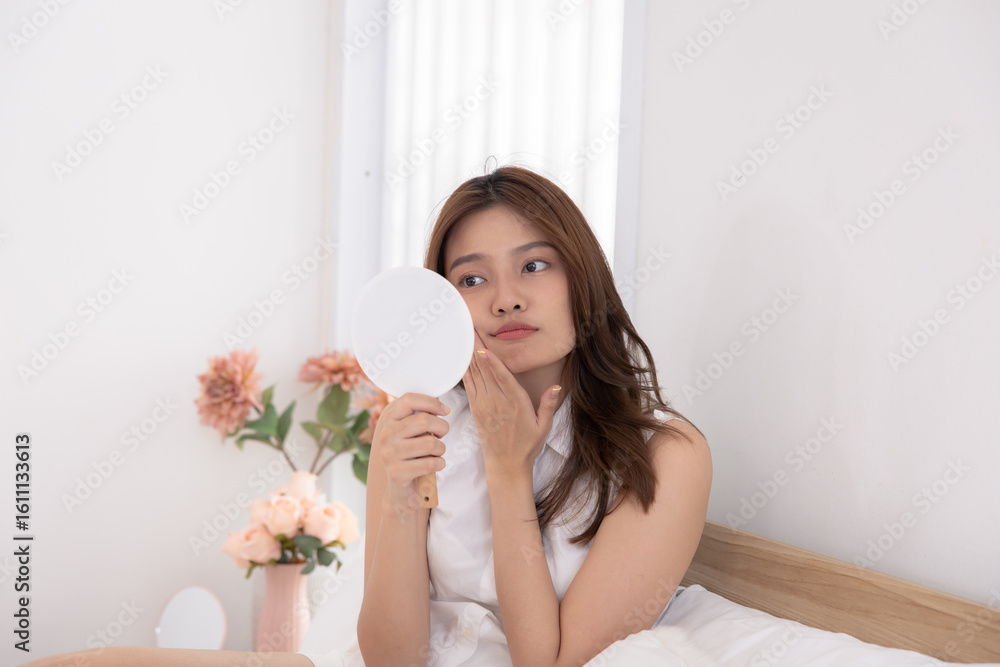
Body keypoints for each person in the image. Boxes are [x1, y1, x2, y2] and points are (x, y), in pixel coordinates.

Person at [22, 164, 711, 667]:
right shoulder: (422, 424)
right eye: (472, 278)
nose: (505, 298)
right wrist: (401, 497)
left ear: (582, 276)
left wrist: (508, 472)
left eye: (534, 265)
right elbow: (391, 657)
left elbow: (549, 665)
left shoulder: (666, 457)